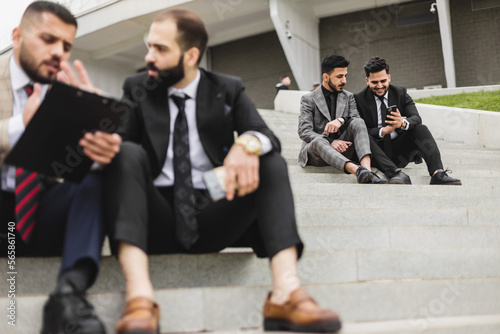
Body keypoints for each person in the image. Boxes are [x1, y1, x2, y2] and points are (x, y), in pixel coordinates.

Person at [104, 8, 341, 334]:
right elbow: (116, 149)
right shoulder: (137, 88)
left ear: (190, 55)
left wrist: (246, 143)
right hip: (153, 216)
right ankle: (140, 299)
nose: (149, 57)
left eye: (160, 49)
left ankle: (286, 295)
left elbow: (266, 136)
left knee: (269, 159)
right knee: (126, 153)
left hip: (213, 211)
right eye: (149, 47)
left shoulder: (226, 88)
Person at [0, 2, 121, 333]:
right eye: (48, 39)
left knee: (99, 175)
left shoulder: (67, 93)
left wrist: (97, 144)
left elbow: (67, 170)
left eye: (66, 46)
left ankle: (67, 295)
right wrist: (21, 126)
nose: (59, 53)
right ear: (17, 36)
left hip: (40, 211)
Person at [354, 56, 461, 185]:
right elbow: (358, 131)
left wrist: (402, 123)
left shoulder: (401, 93)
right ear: (367, 81)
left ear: (389, 77)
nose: (380, 86)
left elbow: (416, 118)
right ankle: (395, 173)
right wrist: (383, 131)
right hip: (376, 155)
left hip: (400, 153)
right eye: (374, 82)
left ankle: (437, 174)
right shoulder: (358, 99)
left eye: (383, 81)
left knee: (421, 129)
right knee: (364, 135)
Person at [298, 54, 386, 184]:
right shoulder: (308, 99)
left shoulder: (349, 96)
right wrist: (329, 141)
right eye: (339, 76)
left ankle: (367, 171)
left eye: (345, 76)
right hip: (317, 153)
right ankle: (358, 171)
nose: (344, 80)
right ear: (326, 77)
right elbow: (304, 131)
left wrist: (341, 120)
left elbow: (355, 117)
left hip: (343, 149)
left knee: (358, 122)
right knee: (317, 141)